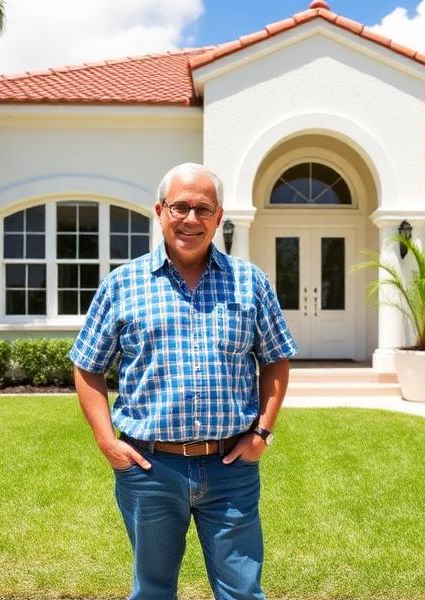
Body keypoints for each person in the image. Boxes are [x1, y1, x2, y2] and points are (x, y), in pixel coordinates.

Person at [70, 162, 297, 600]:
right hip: (149, 468)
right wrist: (106, 441)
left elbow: (275, 360)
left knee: (243, 592)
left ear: (219, 216)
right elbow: (86, 365)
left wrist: (262, 434)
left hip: (231, 466)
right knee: (153, 591)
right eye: (180, 207)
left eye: (203, 209)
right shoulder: (122, 285)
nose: (191, 219)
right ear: (160, 210)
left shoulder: (250, 283)